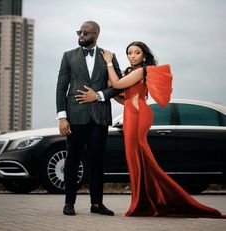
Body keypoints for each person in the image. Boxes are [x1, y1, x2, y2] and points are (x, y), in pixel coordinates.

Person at [101, 41, 226, 218]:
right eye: (129, 53)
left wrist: (108, 62)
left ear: (144, 55)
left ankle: (146, 202)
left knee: (139, 157)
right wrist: (117, 94)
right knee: (135, 158)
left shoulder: (142, 71)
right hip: (131, 111)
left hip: (137, 114)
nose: (132, 56)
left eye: (137, 53)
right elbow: (123, 97)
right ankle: (143, 201)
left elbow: (117, 84)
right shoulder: (131, 72)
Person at [56, 21, 122, 216]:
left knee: (97, 162)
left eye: (86, 33)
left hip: (99, 117)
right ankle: (69, 203)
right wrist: (62, 117)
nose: (81, 35)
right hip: (75, 117)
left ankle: (96, 204)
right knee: (72, 161)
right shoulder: (68, 56)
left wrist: (99, 95)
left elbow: (118, 85)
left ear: (97, 34)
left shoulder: (109, 57)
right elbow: (61, 87)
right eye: (79, 32)